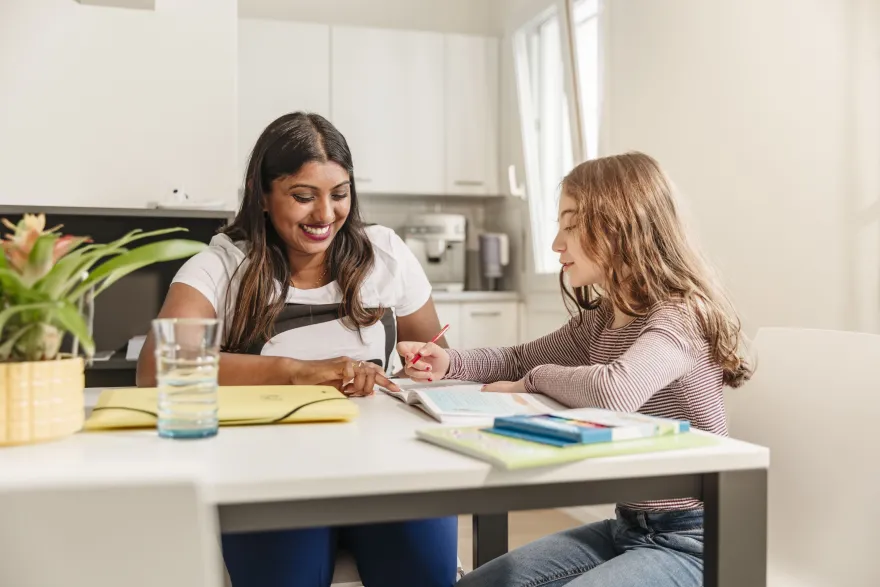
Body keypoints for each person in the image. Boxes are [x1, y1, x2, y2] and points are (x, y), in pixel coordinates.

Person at [399, 152, 753, 587]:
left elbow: (614, 391)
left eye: (570, 225)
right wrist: (450, 361)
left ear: (618, 224)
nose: (556, 244)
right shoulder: (605, 317)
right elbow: (517, 358)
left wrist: (531, 381)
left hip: (695, 543)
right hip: (627, 528)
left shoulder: (679, 316)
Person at [137, 112, 458, 587]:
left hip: (390, 472)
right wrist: (295, 371)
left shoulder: (385, 253)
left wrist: (424, 366)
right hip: (271, 480)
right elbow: (159, 368)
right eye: (304, 196)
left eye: (339, 194)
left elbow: (437, 356)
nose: (325, 215)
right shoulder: (223, 265)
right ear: (262, 194)